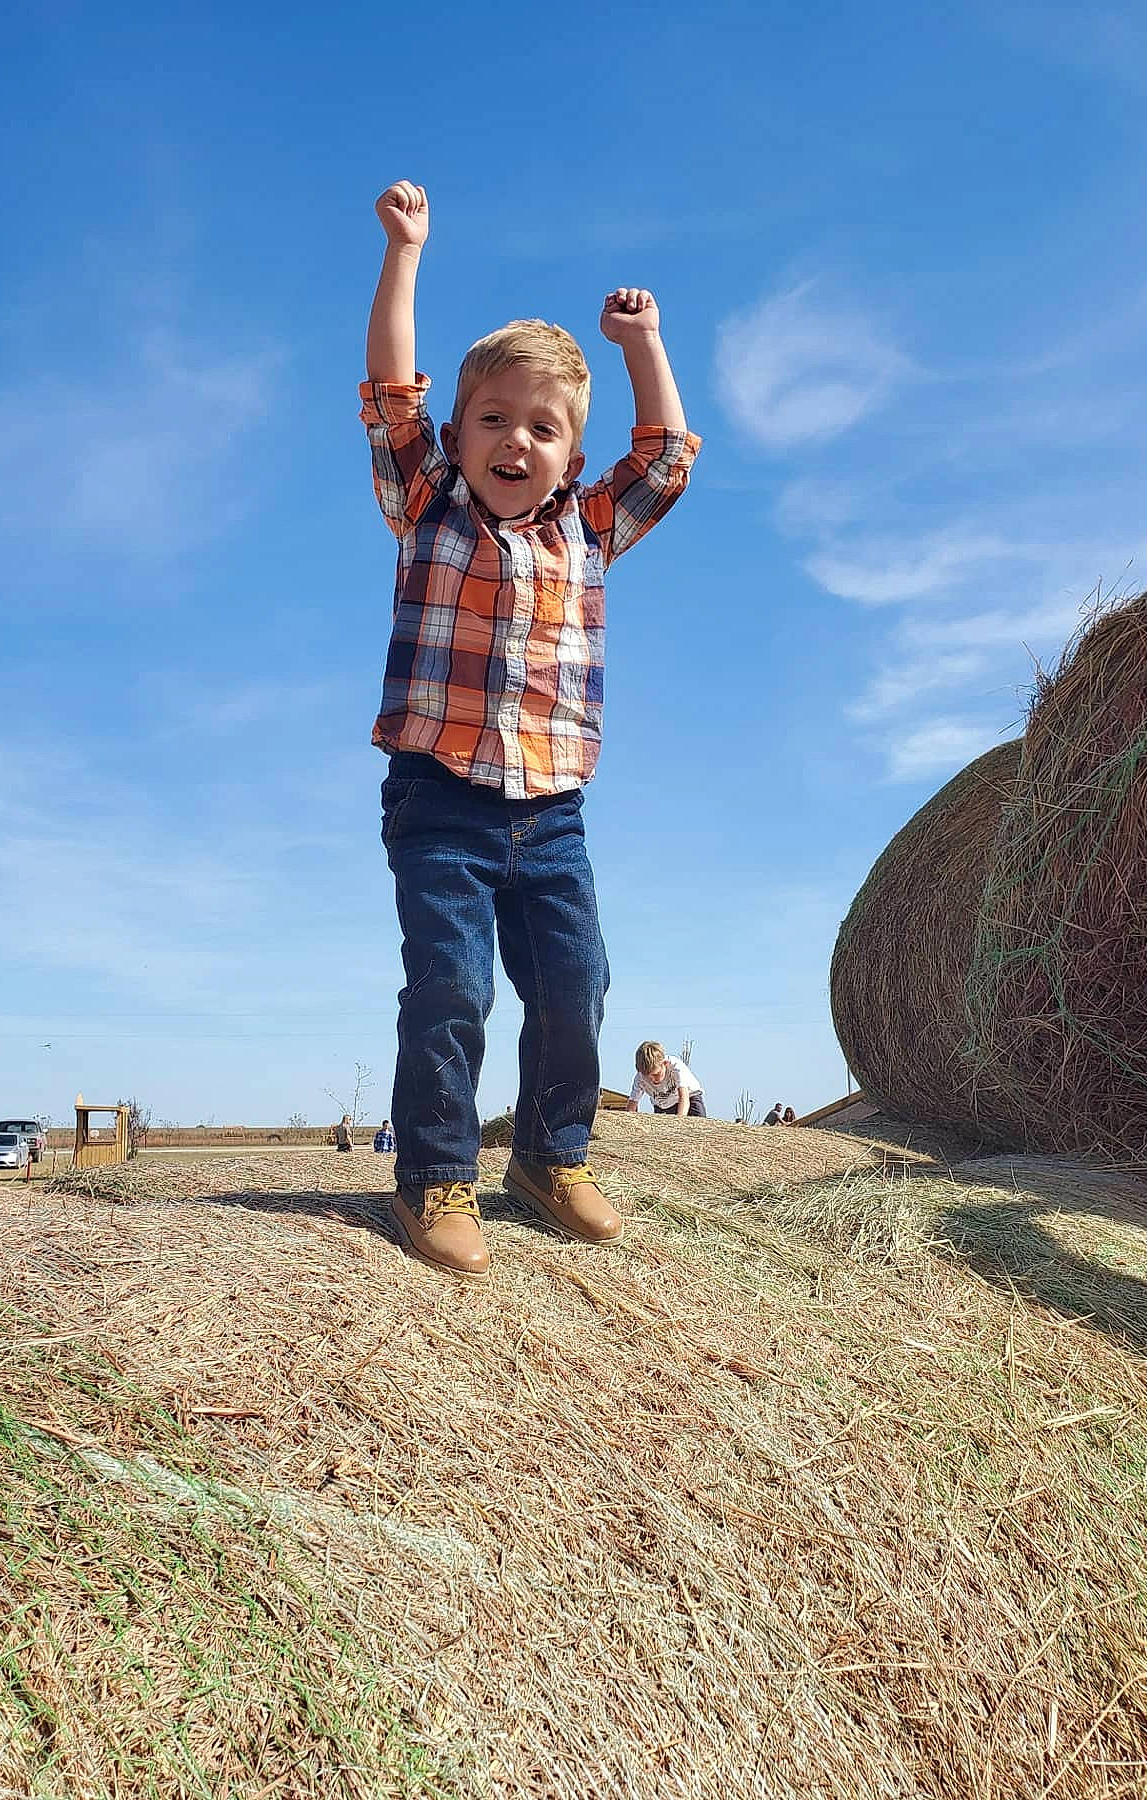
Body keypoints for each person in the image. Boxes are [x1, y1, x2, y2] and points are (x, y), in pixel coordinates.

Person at [364, 180, 699, 1278]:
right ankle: (436, 1175)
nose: (517, 441)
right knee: (452, 983)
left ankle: (552, 1157)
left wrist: (644, 343)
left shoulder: (591, 532)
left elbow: (664, 458)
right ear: (458, 433)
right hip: (442, 798)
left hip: (552, 807)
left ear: (568, 452)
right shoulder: (429, 499)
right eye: (494, 420)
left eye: (543, 428)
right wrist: (406, 254)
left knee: (574, 982)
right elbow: (389, 392)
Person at [627, 1041, 708, 1118]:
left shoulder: (676, 1067)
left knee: (700, 1125)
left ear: (665, 1064)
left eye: (656, 1074)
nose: (652, 1079)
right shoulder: (640, 1078)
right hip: (662, 1105)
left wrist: (679, 1121)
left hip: (690, 1098)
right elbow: (632, 1103)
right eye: (647, 1076)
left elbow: (684, 1097)